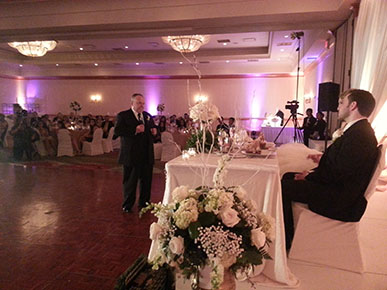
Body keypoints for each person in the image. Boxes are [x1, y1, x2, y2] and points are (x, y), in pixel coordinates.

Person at [281, 89, 378, 250]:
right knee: (288, 175)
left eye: (341, 103)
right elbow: (343, 163)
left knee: (283, 187)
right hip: (339, 189)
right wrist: (321, 161)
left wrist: (310, 176)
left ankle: (287, 241)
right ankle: (290, 231)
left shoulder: (360, 136)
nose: (338, 107)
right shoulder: (359, 131)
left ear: (353, 106)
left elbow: (339, 173)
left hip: (341, 200)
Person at [114, 93, 157, 213]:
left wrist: (154, 132)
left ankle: (144, 203)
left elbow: (152, 130)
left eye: (143, 103)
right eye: (139, 103)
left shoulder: (147, 116)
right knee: (130, 182)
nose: (141, 105)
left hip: (146, 154)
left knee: (146, 181)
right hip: (131, 155)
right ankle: (128, 204)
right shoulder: (123, 115)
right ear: (132, 103)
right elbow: (118, 131)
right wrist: (135, 130)